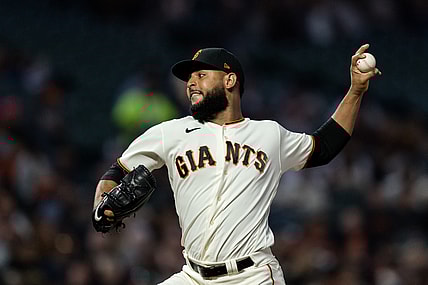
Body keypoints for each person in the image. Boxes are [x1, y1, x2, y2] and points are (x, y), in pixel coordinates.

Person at [93, 44, 381, 284]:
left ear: (229, 80)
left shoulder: (269, 134)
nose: (191, 83)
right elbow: (117, 171)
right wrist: (101, 204)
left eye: (201, 75)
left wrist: (355, 92)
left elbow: (325, 146)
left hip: (251, 275)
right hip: (192, 276)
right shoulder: (171, 132)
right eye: (189, 78)